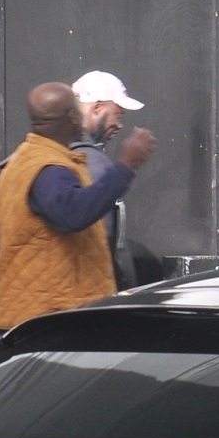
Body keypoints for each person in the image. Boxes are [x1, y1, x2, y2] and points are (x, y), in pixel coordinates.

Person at [0, 81, 156, 331]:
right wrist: (126, 165)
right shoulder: (47, 168)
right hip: (47, 319)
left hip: (40, 314)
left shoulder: (28, 159)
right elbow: (74, 213)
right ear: (72, 118)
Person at [71, 69, 145, 287]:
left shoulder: (45, 152)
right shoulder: (93, 162)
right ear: (97, 107)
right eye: (118, 114)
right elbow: (104, 243)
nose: (120, 124)